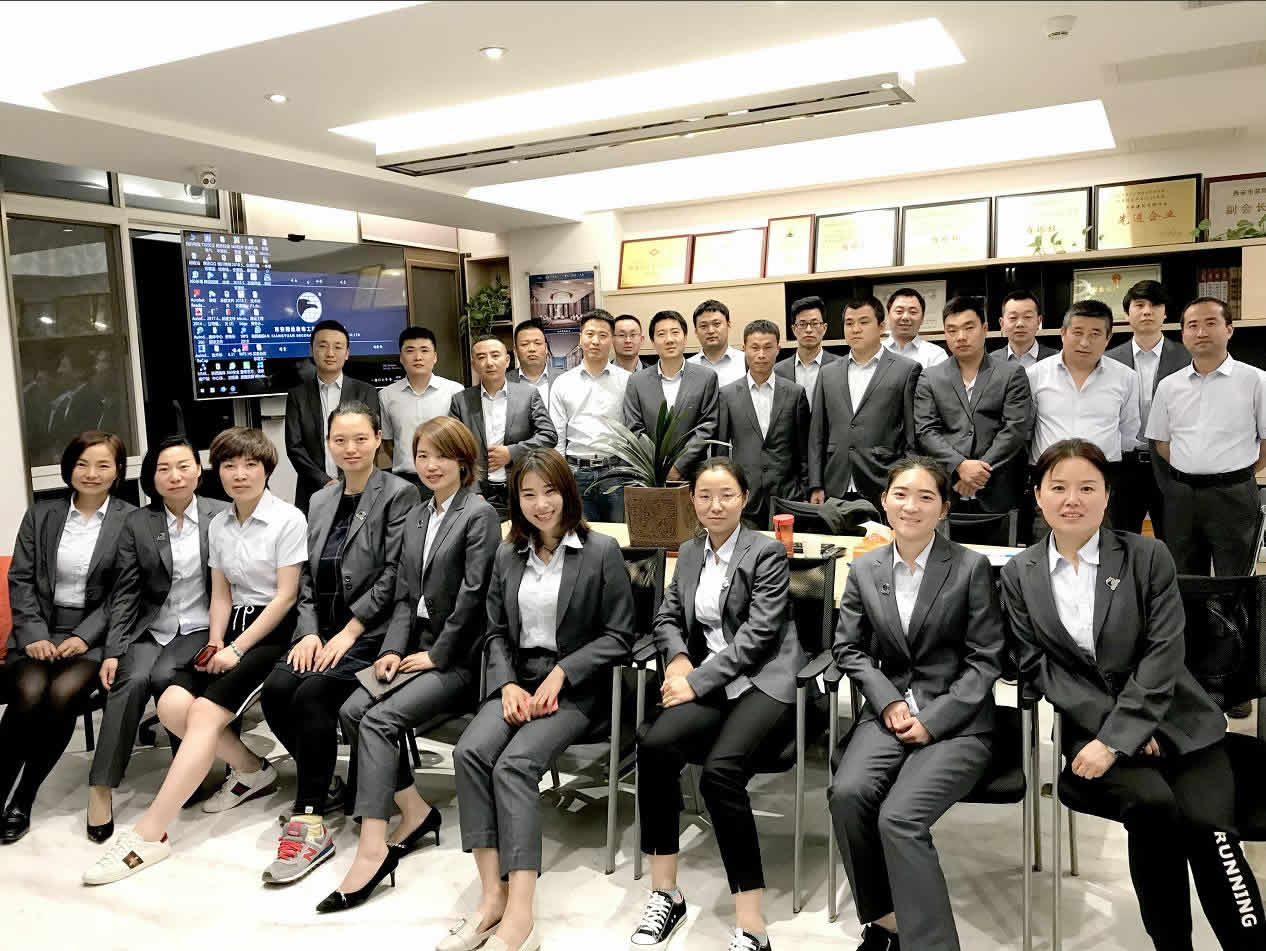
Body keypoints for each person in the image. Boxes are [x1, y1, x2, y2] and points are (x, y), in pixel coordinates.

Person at [1000, 438, 1265, 951]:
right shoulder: (1020, 573)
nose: (1072, 499)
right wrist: (1113, 734)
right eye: (1058, 487)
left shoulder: (1146, 555)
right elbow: (1036, 664)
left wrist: (1123, 733)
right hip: (1091, 728)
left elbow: (1164, 651)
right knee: (1152, 809)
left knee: (1209, 828)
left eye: (1087, 487)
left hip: (1180, 720)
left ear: (1107, 495)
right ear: (1038, 496)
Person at [83, 427, 307, 884]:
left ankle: (150, 834)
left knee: (202, 714)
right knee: (171, 705)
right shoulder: (220, 523)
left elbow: (286, 597)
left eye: (250, 465)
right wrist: (216, 642)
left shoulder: (288, 519)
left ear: (267, 469)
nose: (239, 474)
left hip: (272, 630)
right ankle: (252, 770)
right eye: (229, 465)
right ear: (217, 472)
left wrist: (238, 648)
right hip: (230, 628)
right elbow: (220, 593)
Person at [447, 448, 634, 951]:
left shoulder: (600, 551)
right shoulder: (507, 553)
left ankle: (521, 914)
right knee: (470, 753)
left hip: (575, 688)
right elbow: (494, 632)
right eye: (528, 495)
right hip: (517, 679)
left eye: (549, 491)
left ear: (567, 492)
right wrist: (507, 683)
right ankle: (492, 897)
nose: (540, 504)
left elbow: (620, 636)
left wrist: (563, 673)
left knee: (513, 765)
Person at [322, 416, 501, 913]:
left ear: (463, 460)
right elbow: (404, 595)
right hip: (416, 646)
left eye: (441, 455)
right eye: (422, 456)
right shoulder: (420, 514)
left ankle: (372, 851)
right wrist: (391, 651)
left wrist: (437, 655)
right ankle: (415, 811)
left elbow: (473, 599)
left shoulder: (479, 514)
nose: (430, 465)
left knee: (378, 720)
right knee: (351, 711)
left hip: (460, 658)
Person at [630, 459, 805, 951]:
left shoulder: (765, 551)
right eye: (705, 496)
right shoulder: (689, 552)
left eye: (726, 494)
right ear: (692, 501)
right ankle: (665, 893)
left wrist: (696, 681)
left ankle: (752, 925)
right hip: (708, 680)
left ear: (744, 499)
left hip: (761, 680)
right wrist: (679, 659)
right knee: (654, 746)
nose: (715, 505)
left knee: (720, 775)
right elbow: (667, 616)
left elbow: (759, 636)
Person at [829, 456, 1003, 951]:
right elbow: (847, 648)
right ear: (884, 501)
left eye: (926, 497)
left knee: (899, 818)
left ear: (943, 508)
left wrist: (934, 719)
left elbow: (986, 659)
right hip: (891, 712)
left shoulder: (969, 567)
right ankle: (886, 924)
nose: (911, 506)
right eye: (901, 494)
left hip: (956, 718)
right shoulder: (866, 567)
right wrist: (886, 701)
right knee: (847, 794)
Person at [258, 402, 418, 884]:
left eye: (361, 439)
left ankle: (309, 821)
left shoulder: (399, 494)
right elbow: (306, 576)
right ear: (328, 444)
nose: (350, 449)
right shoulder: (321, 499)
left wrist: (349, 631)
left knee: (312, 695)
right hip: (323, 631)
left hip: (371, 634)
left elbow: (394, 574)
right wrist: (309, 631)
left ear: (378, 440)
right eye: (340, 440)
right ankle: (325, 781)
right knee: (276, 692)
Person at [84, 436, 229, 843]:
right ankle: (101, 787)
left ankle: (190, 772)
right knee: (130, 680)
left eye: (183, 466)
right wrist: (114, 651)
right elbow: (126, 593)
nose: (175, 476)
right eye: (164, 469)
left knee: (166, 675)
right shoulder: (139, 523)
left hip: (202, 626)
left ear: (198, 470)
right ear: (152, 477)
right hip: (153, 627)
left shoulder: (221, 515)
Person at [1, 432, 134, 844]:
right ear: (69, 468)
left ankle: (23, 798)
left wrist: (83, 635)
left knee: (61, 696)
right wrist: (34, 634)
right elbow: (20, 578)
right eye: (82, 464)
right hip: (38, 629)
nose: (91, 473)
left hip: (93, 636)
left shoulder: (131, 519)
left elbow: (124, 592)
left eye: (103, 465)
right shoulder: (42, 514)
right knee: (29, 692)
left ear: (117, 471)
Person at [1147, 296, 1265, 581]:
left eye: (1211, 323)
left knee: (1236, 580)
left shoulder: (1257, 380)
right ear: (1183, 333)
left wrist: (1237, 473)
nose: (1201, 332)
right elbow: (1161, 442)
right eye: (1192, 325)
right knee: (1184, 577)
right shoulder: (1169, 385)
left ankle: (1233, 615)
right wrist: (1191, 468)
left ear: (1229, 329)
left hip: (1234, 494)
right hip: (1182, 495)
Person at [1027, 300, 1139, 530]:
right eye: (1077, 332)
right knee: (1047, 546)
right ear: (1063, 333)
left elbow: (1129, 432)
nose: (1085, 342)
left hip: (1101, 480)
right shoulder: (1035, 375)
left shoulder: (1126, 378)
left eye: (1095, 334)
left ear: (1108, 338)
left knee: (1102, 546)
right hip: (1050, 479)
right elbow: (1026, 429)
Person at [914, 297, 1033, 512]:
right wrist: (960, 465)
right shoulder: (930, 377)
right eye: (952, 330)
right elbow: (926, 431)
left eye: (969, 328)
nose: (960, 337)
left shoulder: (1011, 374)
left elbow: (1015, 428)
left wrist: (978, 472)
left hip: (999, 486)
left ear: (985, 328)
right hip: (948, 486)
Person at [809, 296, 920, 512]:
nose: (855, 329)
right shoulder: (827, 373)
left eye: (864, 322)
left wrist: (906, 483)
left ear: (881, 326)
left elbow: (912, 437)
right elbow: (817, 433)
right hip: (835, 481)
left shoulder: (906, 370)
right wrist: (815, 484)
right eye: (849, 323)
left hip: (883, 481)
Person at [1105, 280, 1189, 537]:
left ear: (1165, 313)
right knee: (1120, 541)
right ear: (1127, 314)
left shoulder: (1187, 357)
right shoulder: (1108, 360)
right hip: (1123, 465)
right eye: (1139, 305)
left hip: (1171, 463)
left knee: (1174, 541)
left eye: (1155, 305)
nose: (1147, 311)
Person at [718, 320, 810, 528]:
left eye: (768, 347)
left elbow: (804, 449)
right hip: (745, 496)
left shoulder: (795, 393)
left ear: (778, 349)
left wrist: (804, 490)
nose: (761, 354)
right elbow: (721, 450)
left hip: (787, 496)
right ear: (744, 349)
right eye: (755, 347)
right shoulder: (727, 395)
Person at [451, 335, 557, 515]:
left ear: (507, 360)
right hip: (479, 492)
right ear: (474, 364)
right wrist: (473, 491)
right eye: (481, 357)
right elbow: (454, 450)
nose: (489, 362)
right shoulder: (461, 401)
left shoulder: (528, 394)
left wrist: (512, 452)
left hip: (522, 488)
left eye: (495, 355)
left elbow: (549, 436)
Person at [285, 319, 382, 513]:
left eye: (338, 347)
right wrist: (325, 481)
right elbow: (294, 447)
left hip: (358, 489)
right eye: (323, 346)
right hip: (312, 492)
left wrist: (346, 481)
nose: (330, 353)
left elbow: (370, 441)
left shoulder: (366, 392)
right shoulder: (297, 395)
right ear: (312, 350)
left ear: (347, 353)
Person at [548, 310, 632, 523]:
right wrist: (561, 475)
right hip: (576, 473)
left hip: (616, 473)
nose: (595, 341)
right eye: (590, 334)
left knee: (620, 534)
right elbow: (557, 434)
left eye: (603, 335)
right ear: (580, 338)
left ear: (611, 340)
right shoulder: (563, 383)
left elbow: (633, 429)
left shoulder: (628, 381)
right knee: (581, 535)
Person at [624, 309, 720, 482]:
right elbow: (634, 427)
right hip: (651, 475)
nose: (669, 339)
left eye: (675, 332)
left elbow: (707, 426)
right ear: (653, 341)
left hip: (695, 474)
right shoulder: (636, 381)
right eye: (661, 334)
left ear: (685, 337)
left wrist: (678, 466)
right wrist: (660, 467)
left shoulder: (706, 378)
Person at [379, 326, 464, 495]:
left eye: (424, 350)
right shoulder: (386, 395)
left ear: (435, 357)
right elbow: (388, 442)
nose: (418, 357)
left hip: (445, 479)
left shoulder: (455, 391)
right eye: (410, 351)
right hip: (404, 482)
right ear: (401, 357)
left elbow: (460, 440)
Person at [774, 295, 838, 410]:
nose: (808, 330)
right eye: (802, 324)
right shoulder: (777, 371)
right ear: (794, 329)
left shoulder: (841, 367)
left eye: (815, 323)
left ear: (824, 328)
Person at [882, 288, 948, 370]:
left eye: (913, 312)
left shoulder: (936, 355)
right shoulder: (874, 352)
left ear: (922, 318)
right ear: (888, 315)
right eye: (899, 311)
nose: (905, 317)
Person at [991, 289, 1057, 368]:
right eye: (1013, 317)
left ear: (1038, 321)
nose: (1020, 324)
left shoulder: (1056, 359)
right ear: (1002, 323)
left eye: (1027, 317)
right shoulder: (990, 362)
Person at [689, 299, 747, 387]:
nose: (711, 331)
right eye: (703, 326)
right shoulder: (687, 368)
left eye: (716, 324)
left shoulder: (746, 361)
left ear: (728, 325)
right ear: (696, 331)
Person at [509, 317, 554, 406]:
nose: (532, 349)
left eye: (537, 343)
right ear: (515, 351)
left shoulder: (565, 379)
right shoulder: (504, 383)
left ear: (546, 348)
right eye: (525, 344)